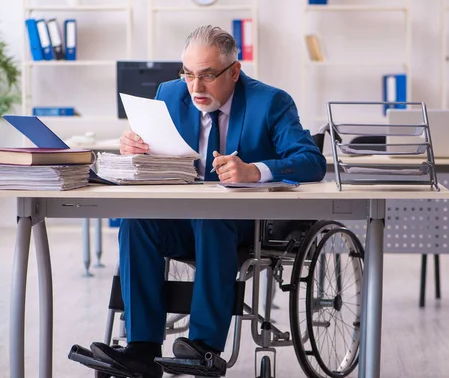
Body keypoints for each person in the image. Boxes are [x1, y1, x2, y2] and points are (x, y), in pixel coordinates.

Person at [89, 25, 327, 377]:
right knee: (136, 223)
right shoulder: (169, 94)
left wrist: (256, 170)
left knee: (212, 216)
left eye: (207, 76)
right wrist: (135, 149)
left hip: (244, 225)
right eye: (188, 74)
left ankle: (203, 347)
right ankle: (141, 349)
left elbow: (312, 161)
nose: (196, 88)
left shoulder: (270, 102)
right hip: (183, 219)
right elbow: (158, 151)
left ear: (234, 72)